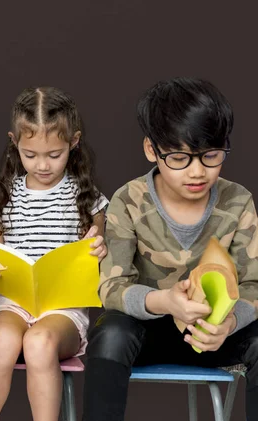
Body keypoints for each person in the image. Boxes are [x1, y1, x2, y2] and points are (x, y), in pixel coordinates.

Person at [82, 77, 258, 421]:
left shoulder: (238, 201)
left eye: (211, 156)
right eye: (179, 157)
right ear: (152, 150)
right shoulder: (129, 200)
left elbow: (253, 285)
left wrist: (230, 323)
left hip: (216, 334)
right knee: (110, 332)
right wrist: (165, 302)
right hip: (149, 330)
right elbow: (112, 288)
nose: (197, 171)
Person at [0, 87, 108, 421]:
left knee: (39, 342)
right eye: (30, 155)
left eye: (54, 154)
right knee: (3, 341)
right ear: (14, 143)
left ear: (73, 143)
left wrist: (100, 249)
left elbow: (98, 255)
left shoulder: (87, 199)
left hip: (62, 310)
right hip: (10, 304)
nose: (43, 165)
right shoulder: (0, 199)